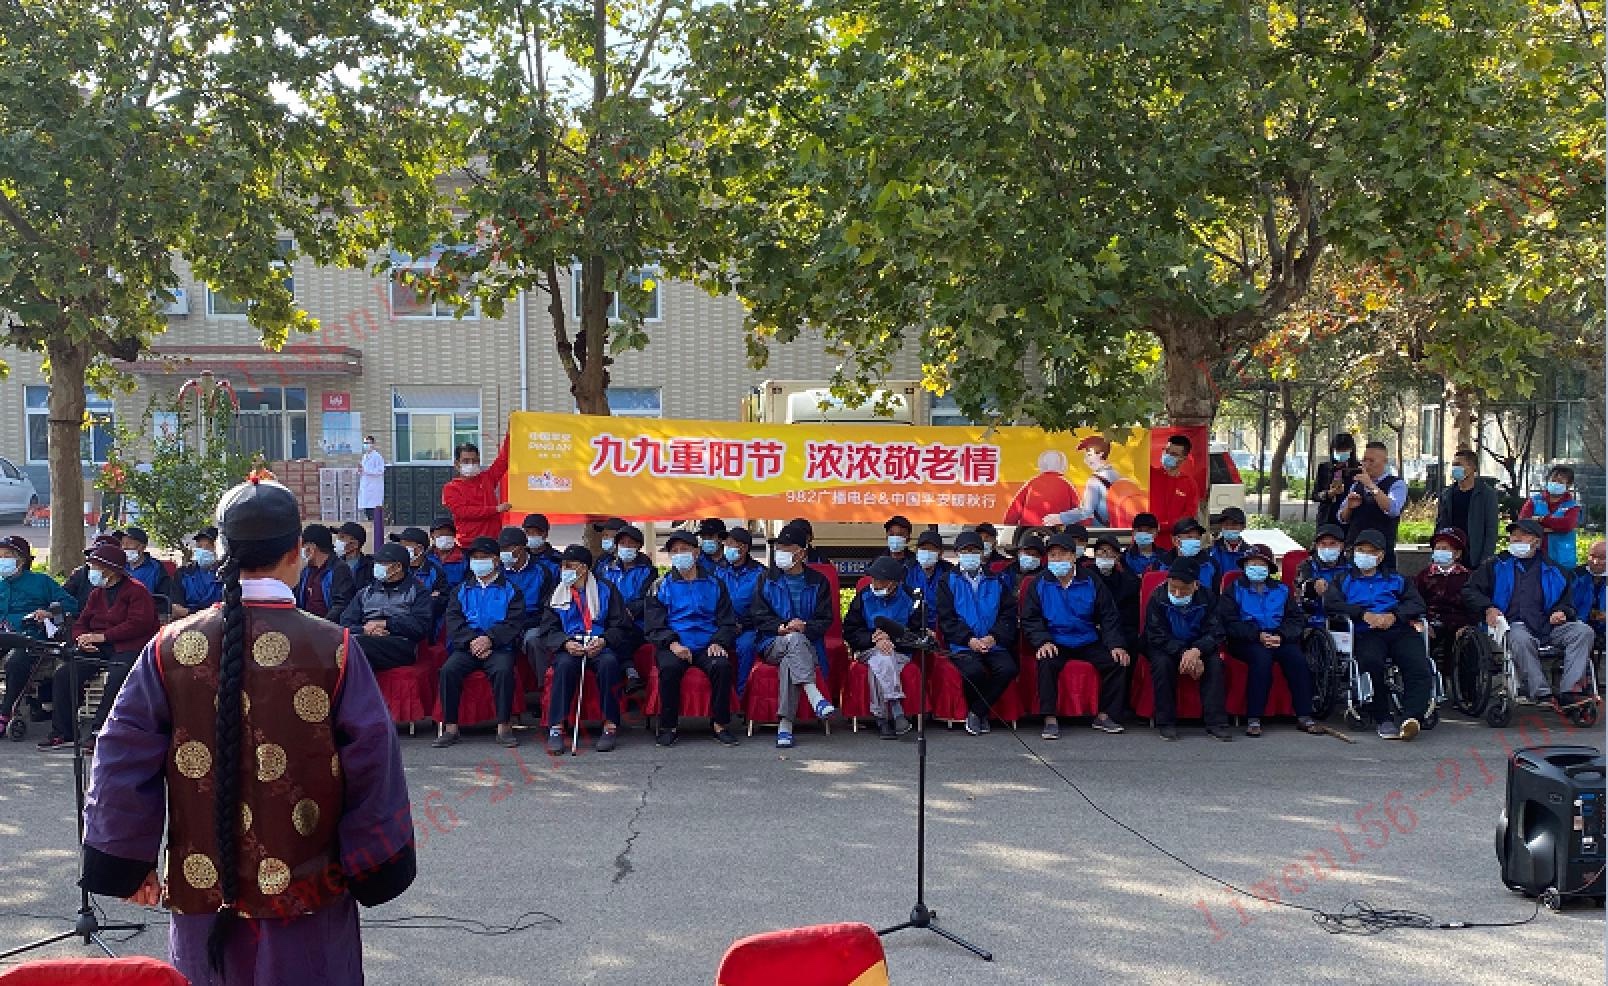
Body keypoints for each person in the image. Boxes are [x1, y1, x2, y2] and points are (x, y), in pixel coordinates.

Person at [80, 477, 414, 985]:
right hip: (309, 894)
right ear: (296, 552)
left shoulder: (169, 647)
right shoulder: (335, 647)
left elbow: (120, 756)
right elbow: (374, 763)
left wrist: (125, 859)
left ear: (221, 552)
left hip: (202, 893)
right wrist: (374, 862)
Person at [37, 541, 159, 751]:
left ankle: (100, 730)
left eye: (94, 566)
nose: (90, 570)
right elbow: (81, 622)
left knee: (118, 677)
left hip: (129, 646)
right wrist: (82, 639)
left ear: (110, 570)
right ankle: (64, 732)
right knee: (65, 674)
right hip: (98, 646)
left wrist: (102, 636)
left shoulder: (137, 591)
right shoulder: (97, 593)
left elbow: (138, 624)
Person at [1463, 519, 1595, 709]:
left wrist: (1561, 611)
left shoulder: (1555, 570)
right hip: (1509, 624)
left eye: (1523, 535)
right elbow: (1470, 591)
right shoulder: (1495, 565)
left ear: (1537, 541)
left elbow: (1568, 602)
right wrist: (1488, 607)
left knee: (1583, 632)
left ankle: (1570, 691)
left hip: (1547, 625)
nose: (1516, 539)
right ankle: (1541, 692)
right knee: (1520, 637)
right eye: (1513, 535)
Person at [1020, 532, 1131, 739]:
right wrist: (1042, 641)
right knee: (1046, 660)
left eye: (1062, 554)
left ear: (1073, 556)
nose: (1056, 559)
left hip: (1086, 638)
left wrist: (1116, 644)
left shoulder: (1091, 580)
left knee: (1117, 661)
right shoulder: (1040, 582)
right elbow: (1030, 618)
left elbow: (1108, 615)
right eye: (1052, 555)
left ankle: (1104, 715)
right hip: (1055, 639)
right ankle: (1049, 719)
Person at [1323, 528, 1430, 740]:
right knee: (1371, 663)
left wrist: (1394, 615)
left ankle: (1412, 717)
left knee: (1417, 663)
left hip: (1397, 629)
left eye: (1371, 551)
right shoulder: (1343, 579)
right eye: (1361, 550)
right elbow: (1331, 604)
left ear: (1380, 556)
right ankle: (1383, 717)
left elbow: (1417, 604)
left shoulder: (1397, 579)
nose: (1365, 555)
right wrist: (1362, 614)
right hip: (1365, 632)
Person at [645, 530, 740, 748]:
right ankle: (669, 726)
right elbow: (654, 624)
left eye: (684, 550)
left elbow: (727, 621)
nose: (680, 554)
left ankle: (720, 725)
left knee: (722, 666)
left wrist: (718, 641)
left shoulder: (715, 583)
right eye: (675, 551)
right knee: (669, 668)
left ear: (696, 553)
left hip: (708, 643)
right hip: (675, 643)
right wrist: (673, 643)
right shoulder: (660, 585)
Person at [433, 537, 527, 748]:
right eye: (474, 558)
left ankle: (504, 727)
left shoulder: (511, 590)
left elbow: (514, 622)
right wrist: (472, 641)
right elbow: (453, 620)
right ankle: (450, 728)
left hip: (499, 647)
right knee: (448, 671)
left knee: (503, 671)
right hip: (467, 646)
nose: (478, 562)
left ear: (496, 560)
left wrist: (490, 639)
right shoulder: (461, 589)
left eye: (483, 557)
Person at [1218, 545, 1321, 737]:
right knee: (1261, 659)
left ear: (1269, 568)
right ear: (1245, 566)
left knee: (1297, 659)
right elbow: (1229, 622)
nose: (1256, 567)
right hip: (1246, 639)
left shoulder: (1282, 590)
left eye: (1261, 564)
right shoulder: (1234, 589)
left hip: (1278, 636)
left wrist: (1281, 635)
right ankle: (1254, 718)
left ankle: (1304, 715)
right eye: (1252, 563)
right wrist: (1257, 635)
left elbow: (1296, 620)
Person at [539, 545, 632, 754]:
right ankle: (556, 727)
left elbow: (621, 626)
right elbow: (548, 628)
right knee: (563, 665)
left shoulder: (606, 589)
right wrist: (565, 643)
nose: (564, 570)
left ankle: (610, 725)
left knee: (608, 663)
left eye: (569, 565)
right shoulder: (557, 591)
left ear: (583, 568)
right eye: (563, 566)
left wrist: (604, 640)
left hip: (598, 644)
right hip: (570, 645)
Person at [751, 527, 836, 748]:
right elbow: (758, 616)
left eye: (787, 548)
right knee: (794, 641)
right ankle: (814, 695)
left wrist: (805, 627)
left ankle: (785, 726)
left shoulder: (818, 581)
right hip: (772, 642)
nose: (781, 552)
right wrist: (780, 627)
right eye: (779, 548)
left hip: (808, 644)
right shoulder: (766, 579)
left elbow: (825, 620)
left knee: (792, 654)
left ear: (801, 553)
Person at [936, 531, 1019, 735]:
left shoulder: (997, 580)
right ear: (957, 553)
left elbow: (1008, 614)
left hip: (993, 642)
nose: (970, 555)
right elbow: (947, 618)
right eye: (965, 551)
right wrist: (969, 639)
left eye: (974, 551)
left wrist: (994, 637)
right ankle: (980, 714)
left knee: (1008, 669)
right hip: (963, 644)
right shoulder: (947, 581)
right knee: (974, 671)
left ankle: (976, 712)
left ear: (982, 554)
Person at [1144, 558, 1231, 742]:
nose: (1177, 593)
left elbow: (1216, 631)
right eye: (1173, 588)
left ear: (1195, 585)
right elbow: (1156, 635)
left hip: (1199, 646)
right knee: (1162, 664)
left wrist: (1197, 650)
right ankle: (1165, 722)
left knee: (1215, 664)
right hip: (1167, 646)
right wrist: (1184, 652)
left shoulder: (1208, 598)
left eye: (1183, 589)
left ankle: (1216, 723)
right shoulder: (1158, 597)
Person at [0, 536, 79, 734]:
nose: (2, 560)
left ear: (21, 560)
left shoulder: (41, 582)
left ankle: (5, 712)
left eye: (7, 556)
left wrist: (49, 613)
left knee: (16, 662)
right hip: (3, 634)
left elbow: (70, 605)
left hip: (30, 637)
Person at [843, 556, 921, 739]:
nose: (874, 583)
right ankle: (896, 710)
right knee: (882, 656)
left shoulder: (910, 598)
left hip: (899, 651)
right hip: (867, 648)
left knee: (880, 662)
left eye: (879, 580)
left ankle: (882, 719)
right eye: (873, 579)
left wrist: (892, 638)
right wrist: (873, 639)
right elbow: (850, 631)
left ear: (893, 583)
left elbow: (918, 633)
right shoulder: (864, 596)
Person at [339, 543, 433, 671]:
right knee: (350, 649)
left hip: (400, 644)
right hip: (366, 637)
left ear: (398, 567)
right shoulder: (366, 592)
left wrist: (386, 624)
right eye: (376, 562)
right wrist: (365, 630)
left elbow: (420, 627)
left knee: (357, 646)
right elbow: (345, 623)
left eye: (382, 563)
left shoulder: (418, 591)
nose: (376, 566)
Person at [499, 526, 553, 696]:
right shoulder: (497, 571)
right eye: (501, 549)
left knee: (534, 640)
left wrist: (526, 624)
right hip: (503, 622)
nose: (504, 553)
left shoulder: (541, 572)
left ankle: (546, 691)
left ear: (521, 548)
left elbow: (548, 606)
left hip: (532, 622)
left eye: (508, 548)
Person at [1336, 441, 1407, 568]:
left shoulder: (1396, 484)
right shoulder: (1357, 485)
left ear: (1385, 461)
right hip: (1355, 550)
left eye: (1371, 461)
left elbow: (1393, 510)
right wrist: (1349, 508)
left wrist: (1371, 486)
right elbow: (1342, 518)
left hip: (1380, 552)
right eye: (1364, 460)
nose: (1366, 464)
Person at [596, 523, 657, 667]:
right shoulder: (606, 569)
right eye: (622, 543)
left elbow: (649, 599)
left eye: (631, 543)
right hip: (609, 619)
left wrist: (629, 610)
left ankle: (628, 668)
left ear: (638, 546)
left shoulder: (647, 571)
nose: (626, 546)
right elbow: (600, 594)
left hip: (636, 621)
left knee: (622, 637)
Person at [714, 527, 766, 693]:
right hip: (721, 625)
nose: (726, 548)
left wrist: (742, 624)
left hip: (748, 628)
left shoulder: (760, 573)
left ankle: (741, 695)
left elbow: (762, 607)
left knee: (746, 646)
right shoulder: (718, 570)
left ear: (743, 548)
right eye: (725, 544)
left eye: (730, 544)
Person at [441, 436, 513, 548]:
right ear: (457, 464)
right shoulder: (450, 488)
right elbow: (463, 512)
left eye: (475, 461)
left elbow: (503, 460)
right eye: (466, 461)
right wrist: (496, 509)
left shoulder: (487, 478)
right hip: (468, 545)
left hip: (493, 542)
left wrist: (510, 433)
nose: (471, 464)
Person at [1434, 449, 1500, 566]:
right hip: (1451, 557)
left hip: (1474, 557)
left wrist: (1485, 560)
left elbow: (1491, 530)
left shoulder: (1486, 494)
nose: (1455, 469)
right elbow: (1440, 525)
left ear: (1472, 468)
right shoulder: (1447, 494)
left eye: (1458, 465)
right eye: (1453, 465)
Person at [1414, 527, 1476, 645]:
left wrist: (1467, 626)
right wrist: (1421, 622)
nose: (1440, 552)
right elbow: (1415, 602)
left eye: (1445, 548)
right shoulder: (1423, 576)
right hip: (1430, 623)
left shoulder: (1469, 577)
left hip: (1460, 625)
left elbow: (1474, 606)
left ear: (1457, 553)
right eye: (1437, 548)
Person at [1518, 464, 1582, 570]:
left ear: (1568, 485)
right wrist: (1554, 528)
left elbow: (1567, 524)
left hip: (1562, 560)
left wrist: (1540, 519)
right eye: (1553, 480)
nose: (1555, 484)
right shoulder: (1534, 501)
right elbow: (1523, 522)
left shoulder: (1572, 506)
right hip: (1534, 557)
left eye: (1560, 482)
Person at [1054, 435, 1124, 526]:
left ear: (1101, 454)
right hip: (1118, 527)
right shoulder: (1116, 474)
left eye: (1089, 455)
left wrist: (1060, 518)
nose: (1085, 460)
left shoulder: (1094, 481)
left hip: (1101, 529)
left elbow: (1086, 511)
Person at [1089, 535, 1141, 655]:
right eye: (1101, 550)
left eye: (1110, 551)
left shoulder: (1128, 581)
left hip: (1118, 627)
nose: (1105, 554)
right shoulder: (1085, 578)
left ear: (1117, 557)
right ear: (1095, 554)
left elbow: (1131, 615)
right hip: (1091, 628)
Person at [1149, 434, 1201, 550]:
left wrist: (1162, 526)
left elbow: (1189, 514)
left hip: (1173, 545)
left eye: (1174, 454)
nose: (1167, 455)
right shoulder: (1150, 475)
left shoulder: (1189, 484)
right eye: (1166, 451)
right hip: (1147, 543)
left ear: (1184, 458)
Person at [295, 525, 356, 623]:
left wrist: (322, 625)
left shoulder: (339, 569)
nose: (301, 550)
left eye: (303, 546)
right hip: (306, 625)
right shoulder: (306, 571)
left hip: (328, 627)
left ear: (312, 547)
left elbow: (342, 604)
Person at [397, 526, 451, 631]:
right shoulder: (396, 569)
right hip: (396, 624)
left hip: (425, 628)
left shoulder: (436, 571)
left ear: (420, 549)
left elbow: (441, 601)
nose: (400, 549)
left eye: (405, 545)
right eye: (400, 545)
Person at [1295, 524, 1350, 620]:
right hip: (1316, 619)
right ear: (1316, 546)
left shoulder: (1351, 566)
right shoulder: (1306, 566)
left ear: (1341, 546)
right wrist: (1313, 584)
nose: (1327, 548)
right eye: (1323, 544)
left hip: (1348, 616)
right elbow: (1302, 585)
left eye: (1332, 544)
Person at [904, 530, 953, 629]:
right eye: (923, 549)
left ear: (940, 553)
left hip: (943, 628)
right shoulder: (906, 571)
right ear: (917, 551)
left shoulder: (949, 572)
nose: (927, 553)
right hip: (913, 627)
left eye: (932, 550)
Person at [171, 527, 224, 619]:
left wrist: (190, 612)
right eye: (199, 546)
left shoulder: (227, 574)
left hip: (220, 623)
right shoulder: (183, 573)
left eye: (208, 547)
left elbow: (229, 607)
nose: (203, 551)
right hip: (188, 624)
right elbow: (176, 609)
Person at [1312, 433, 1361, 529]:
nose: (1341, 453)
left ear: (1351, 450)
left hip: (1348, 519)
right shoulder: (1324, 468)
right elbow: (1315, 495)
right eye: (1338, 450)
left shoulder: (1358, 469)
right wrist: (1328, 494)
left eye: (1345, 450)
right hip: (1326, 518)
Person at [122, 527, 179, 602]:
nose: (124, 547)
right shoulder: (118, 565)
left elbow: (164, 597)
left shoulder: (156, 567)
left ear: (142, 547)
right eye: (122, 543)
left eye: (129, 543)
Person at [1572, 540, 1605, 646]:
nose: (1595, 562)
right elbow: (1566, 605)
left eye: (1602, 558)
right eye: (1592, 556)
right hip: (1579, 627)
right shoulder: (1575, 575)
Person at [1171, 517, 1217, 590]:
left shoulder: (1211, 563)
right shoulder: (1162, 564)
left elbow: (1216, 593)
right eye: (1189, 537)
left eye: (1197, 538)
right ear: (1175, 540)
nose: (1194, 541)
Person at [521, 513, 564, 583]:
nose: (529, 536)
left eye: (534, 532)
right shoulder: (519, 557)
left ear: (545, 534)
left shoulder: (558, 560)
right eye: (527, 532)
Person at [334, 522, 375, 592]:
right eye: (338, 537)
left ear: (354, 544)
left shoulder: (370, 567)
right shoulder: (334, 564)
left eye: (342, 537)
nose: (337, 541)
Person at [1208, 507, 1250, 575]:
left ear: (1243, 527)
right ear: (1221, 526)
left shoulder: (1249, 553)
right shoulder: (1211, 550)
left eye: (1234, 524)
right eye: (1226, 524)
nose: (1229, 527)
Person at [429, 516, 467, 586]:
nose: (445, 538)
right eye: (440, 534)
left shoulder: (465, 557)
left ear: (454, 536)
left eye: (448, 534)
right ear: (432, 535)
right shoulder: (425, 557)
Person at [358, 434, 386, 521]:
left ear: (373, 444)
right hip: (366, 488)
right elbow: (363, 470)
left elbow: (380, 470)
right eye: (365, 443)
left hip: (374, 489)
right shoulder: (364, 456)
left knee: (374, 512)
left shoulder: (377, 457)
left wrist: (366, 470)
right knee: (367, 512)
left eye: (368, 443)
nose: (366, 445)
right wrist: (360, 471)